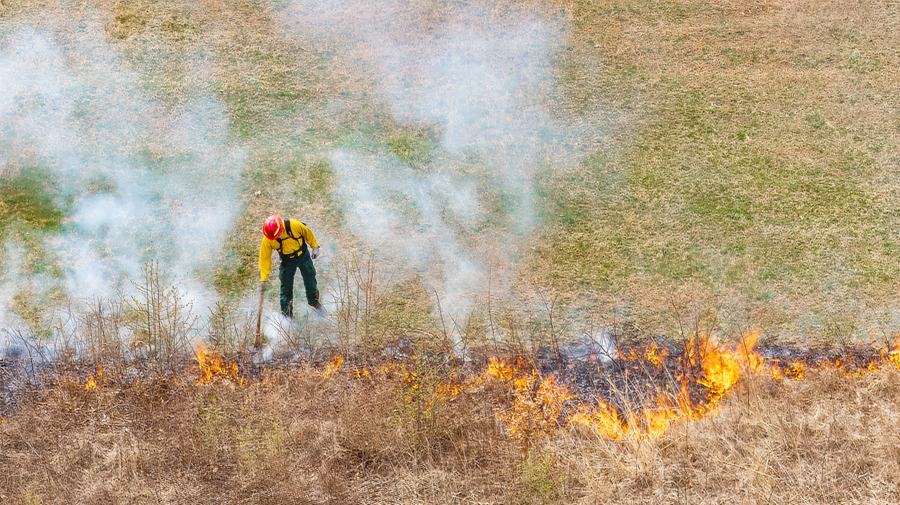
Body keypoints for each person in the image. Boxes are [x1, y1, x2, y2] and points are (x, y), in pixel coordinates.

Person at [258, 215, 327, 319]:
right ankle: (287, 317)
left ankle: (315, 304)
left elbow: (307, 233)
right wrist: (264, 278)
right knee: (286, 288)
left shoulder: (294, 225)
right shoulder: (268, 239)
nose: (275, 239)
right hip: (286, 261)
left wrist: (314, 247)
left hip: (302, 255)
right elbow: (265, 258)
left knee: (310, 279)